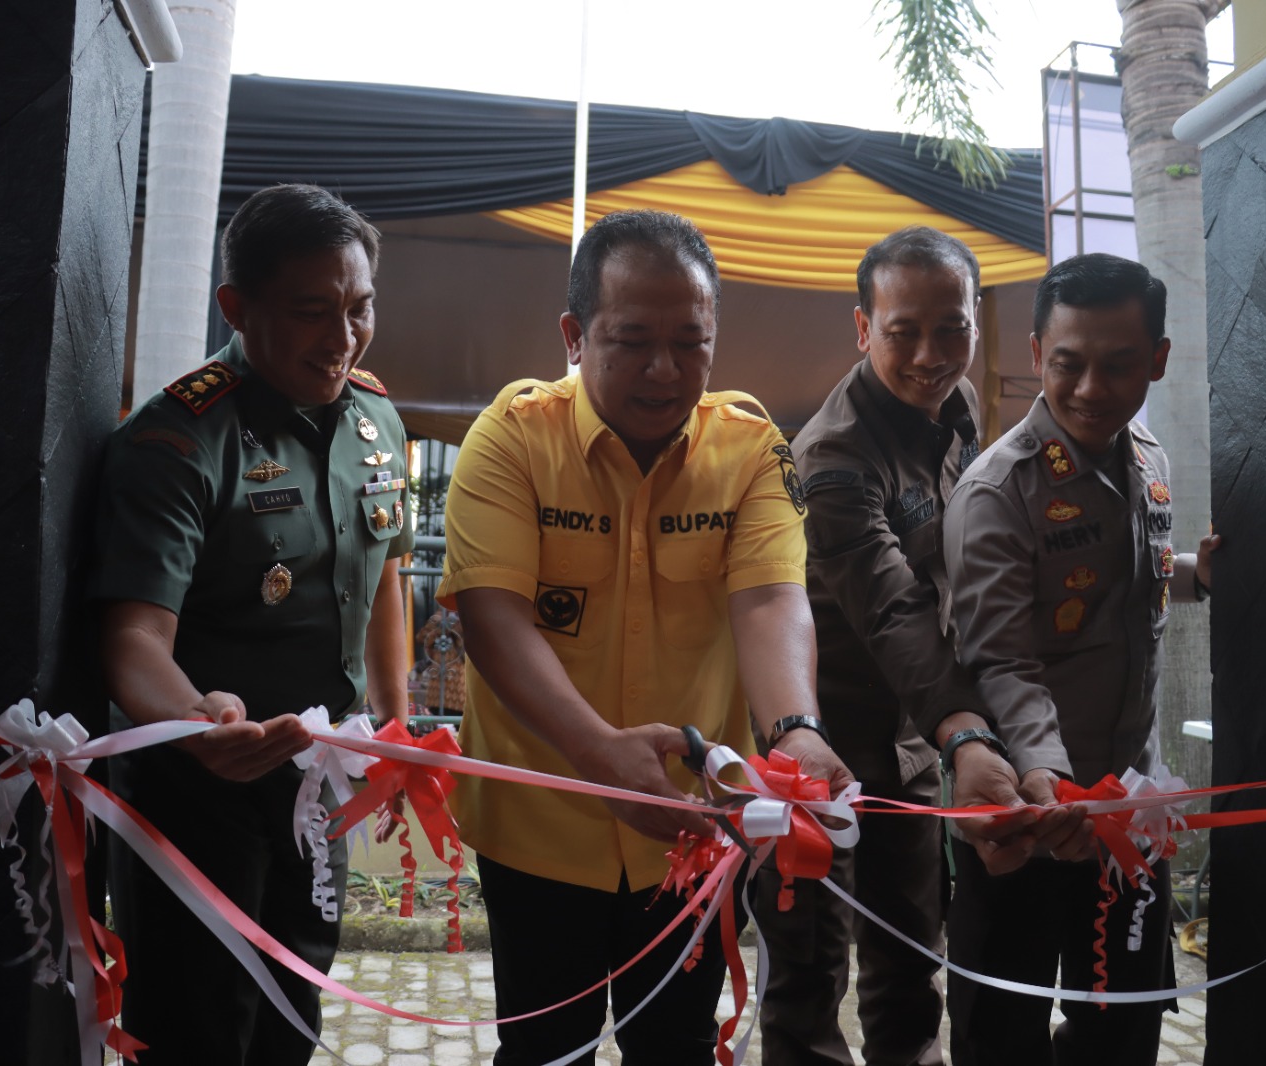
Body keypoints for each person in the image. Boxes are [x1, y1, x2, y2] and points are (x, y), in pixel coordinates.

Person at [436, 209, 854, 1066]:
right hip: (540, 822)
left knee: (677, 1045)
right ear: (575, 335)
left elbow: (772, 601)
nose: (666, 370)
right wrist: (597, 751)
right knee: (544, 1046)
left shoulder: (751, 450)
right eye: (632, 340)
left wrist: (794, 732)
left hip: (694, 827)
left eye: (691, 342)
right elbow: (493, 618)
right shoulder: (511, 439)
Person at [91, 184, 413, 1065]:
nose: (343, 338)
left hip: (322, 791)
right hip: (202, 793)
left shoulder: (377, 420)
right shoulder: (178, 442)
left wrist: (394, 721)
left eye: (360, 308)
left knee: (293, 1021)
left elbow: (387, 578)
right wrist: (199, 724)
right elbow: (133, 641)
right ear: (237, 307)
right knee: (199, 1028)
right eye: (313, 312)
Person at [941, 253, 1219, 1066]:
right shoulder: (1001, 491)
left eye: (1119, 365)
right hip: (1030, 815)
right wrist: (1053, 783)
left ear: (1157, 360)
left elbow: (1130, 589)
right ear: (1036, 355)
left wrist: (1204, 577)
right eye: (1068, 364)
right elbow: (1002, 661)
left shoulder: (1146, 457)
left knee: (1124, 1029)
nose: (1092, 388)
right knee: (1003, 1032)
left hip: (1132, 811)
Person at [754, 226, 996, 1066]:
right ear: (863, 328)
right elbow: (892, 607)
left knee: (910, 967)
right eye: (903, 331)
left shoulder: (959, 415)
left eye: (952, 328)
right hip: (822, 751)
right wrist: (964, 730)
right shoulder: (832, 455)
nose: (931, 354)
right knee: (809, 978)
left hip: (914, 742)